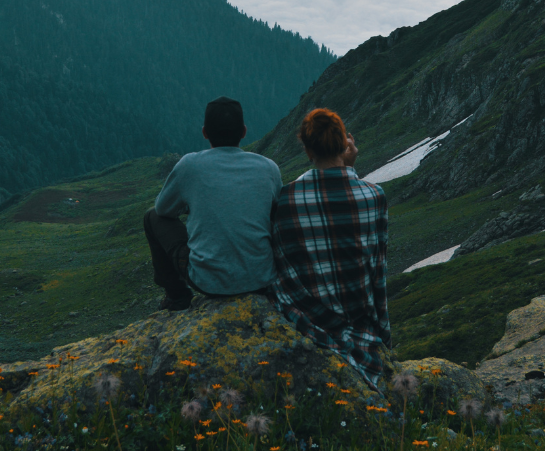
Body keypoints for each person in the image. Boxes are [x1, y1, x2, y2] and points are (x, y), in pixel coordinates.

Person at [270, 108, 390, 387]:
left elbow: (280, 265)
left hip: (312, 320)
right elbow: (378, 270)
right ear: (345, 143)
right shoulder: (374, 196)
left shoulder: (286, 200)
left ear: (308, 151)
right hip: (362, 322)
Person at [143, 96, 283, 311]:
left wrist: (192, 206)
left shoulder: (190, 165)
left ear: (205, 132)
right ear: (244, 131)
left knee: (152, 216)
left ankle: (177, 297)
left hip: (209, 282)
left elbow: (163, 210)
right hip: (262, 280)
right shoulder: (269, 168)